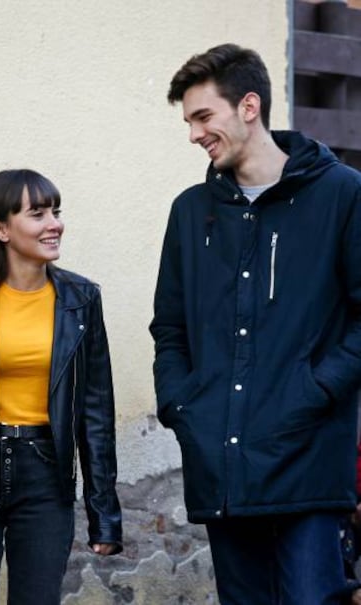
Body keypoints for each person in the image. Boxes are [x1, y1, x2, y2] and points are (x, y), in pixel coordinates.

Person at [149, 43, 361, 604]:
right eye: (189, 121)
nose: (194, 133)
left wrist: (314, 391)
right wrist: (182, 405)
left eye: (202, 116)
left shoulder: (342, 194)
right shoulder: (191, 212)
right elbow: (169, 329)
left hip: (308, 465)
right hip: (224, 470)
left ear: (248, 106)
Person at [0, 169, 122, 604]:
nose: (54, 224)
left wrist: (104, 515)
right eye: (38, 213)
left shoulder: (80, 300)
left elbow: (96, 412)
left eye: (56, 212)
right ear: (0, 229)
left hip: (45, 476)